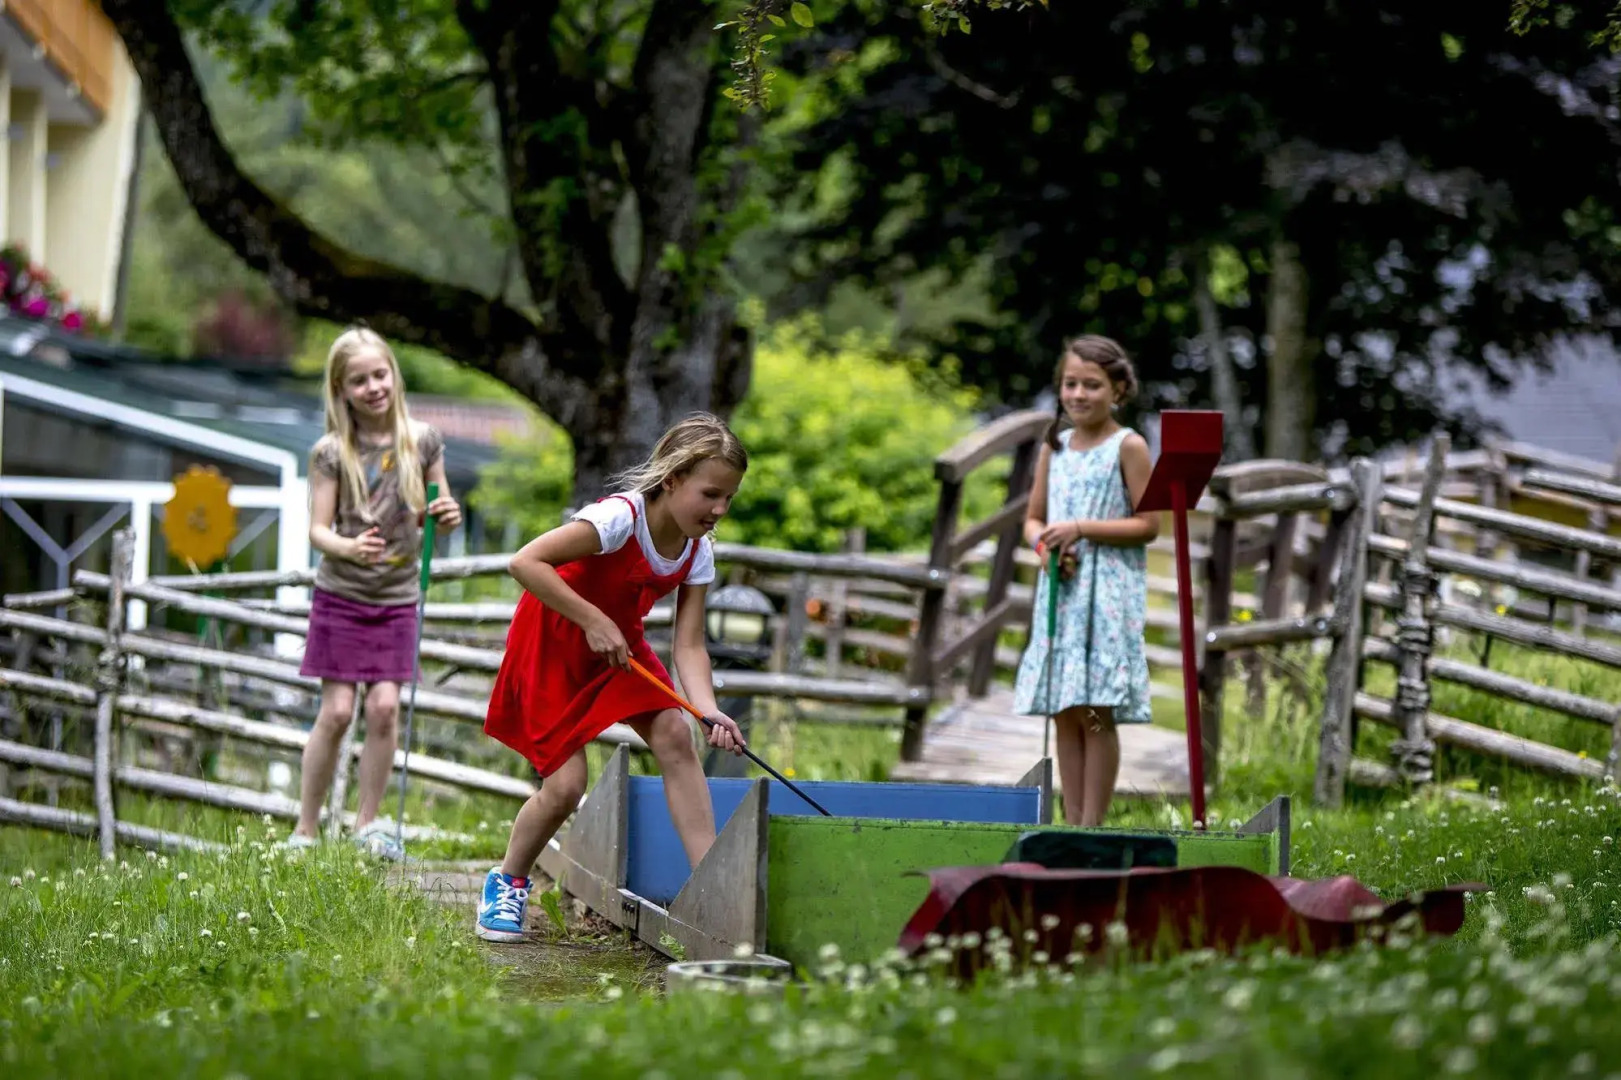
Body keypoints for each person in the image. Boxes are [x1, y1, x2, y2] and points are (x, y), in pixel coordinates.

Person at [475, 413, 750, 942]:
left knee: (677, 733)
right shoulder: (618, 519)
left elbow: (689, 645)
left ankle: (713, 889)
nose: (719, 510)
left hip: (619, 647)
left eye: (729, 499)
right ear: (671, 479)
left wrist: (708, 708)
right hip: (553, 645)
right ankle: (507, 880)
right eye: (710, 494)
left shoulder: (697, 551)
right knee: (566, 785)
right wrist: (592, 620)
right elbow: (526, 562)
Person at [287, 326, 461, 860]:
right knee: (338, 712)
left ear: (393, 375)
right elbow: (317, 530)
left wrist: (447, 515)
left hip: (397, 597)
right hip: (342, 595)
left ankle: (368, 825)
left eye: (379, 374)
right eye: (359, 380)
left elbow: (442, 513)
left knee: (384, 708)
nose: (373, 387)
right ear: (341, 389)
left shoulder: (422, 441)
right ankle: (306, 829)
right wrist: (345, 547)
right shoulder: (331, 452)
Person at [1013, 335, 1158, 827]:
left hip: (1107, 595)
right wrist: (1044, 548)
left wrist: (1079, 528)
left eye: (1092, 385)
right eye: (1070, 384)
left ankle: (1092, 825)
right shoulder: (1054, 448)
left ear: (1118, 389)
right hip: (1063, 590)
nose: (1078, 394)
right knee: (1064, 706)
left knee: (1096, 708)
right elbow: (1033, 520)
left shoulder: (1129, 445)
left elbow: (1148, 523)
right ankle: (1069, 820)